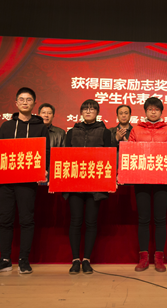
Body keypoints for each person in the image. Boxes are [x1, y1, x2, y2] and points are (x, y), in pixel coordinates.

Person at [0, 87, 50, 275]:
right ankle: (5, 260)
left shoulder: (40, 127)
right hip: (5, 181)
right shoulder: (6, 126)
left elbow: (45, 151)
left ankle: (23, 259)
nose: (25, 102)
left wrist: (44, 169)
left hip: (28, 182)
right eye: (21, 99)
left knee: (26, 220)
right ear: (16, 103)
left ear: (34, 103)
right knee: (5, 219)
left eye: (28, 99)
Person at [129, 97, 167, 272]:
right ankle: (143, 258)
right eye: (150, 109)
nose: (153, 112)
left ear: (161, 112)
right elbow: (129, 153)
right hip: (141, 178)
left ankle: (159, 258)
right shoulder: (136, 130)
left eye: (156, 109)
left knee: (160, 219)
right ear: (145, 111)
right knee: (143, 219)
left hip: (162, 179)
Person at [64, 99, 112, 275]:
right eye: (85, 109)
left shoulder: (105, 132)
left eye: (92, 109)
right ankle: (75, 260)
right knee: (75, 221)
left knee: (91, 222)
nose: (89, 111)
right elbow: (64, 156)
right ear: (81, 112)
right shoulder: (72, 132)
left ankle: (87, 260)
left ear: (97, 113)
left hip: (96, 184)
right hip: (74, 182)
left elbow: (109, 156)